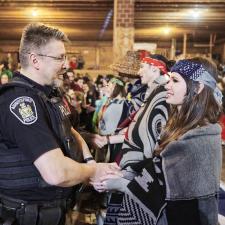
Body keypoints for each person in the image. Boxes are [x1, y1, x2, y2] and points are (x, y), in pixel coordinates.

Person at [0, 23, 120, 225]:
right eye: (59, 58)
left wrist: (89, 160)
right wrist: (94, 170)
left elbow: (70, 130)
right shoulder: (21, 102)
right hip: (26, 215)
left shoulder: (47, 95)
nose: (67, 65)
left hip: (52, 210)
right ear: (35, 60)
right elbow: (56, 173)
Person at [96, 57, 223, 225]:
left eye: (175, 81)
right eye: (169, 79)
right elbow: (160, 174)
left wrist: (121, 184)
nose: (168, 85)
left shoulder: (197, 140)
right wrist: (125, 176)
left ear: (198, 87)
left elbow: (167, 195)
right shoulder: (186, 129)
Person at [92, 54, 171, 225]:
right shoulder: (150, 95)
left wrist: (130, 174)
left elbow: (155, 141)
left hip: (141, 171)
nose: (139, 71)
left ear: (155, 69)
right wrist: (108, 140)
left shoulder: (163, 96)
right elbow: (135, 130)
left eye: (143, 66)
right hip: (130, 167)